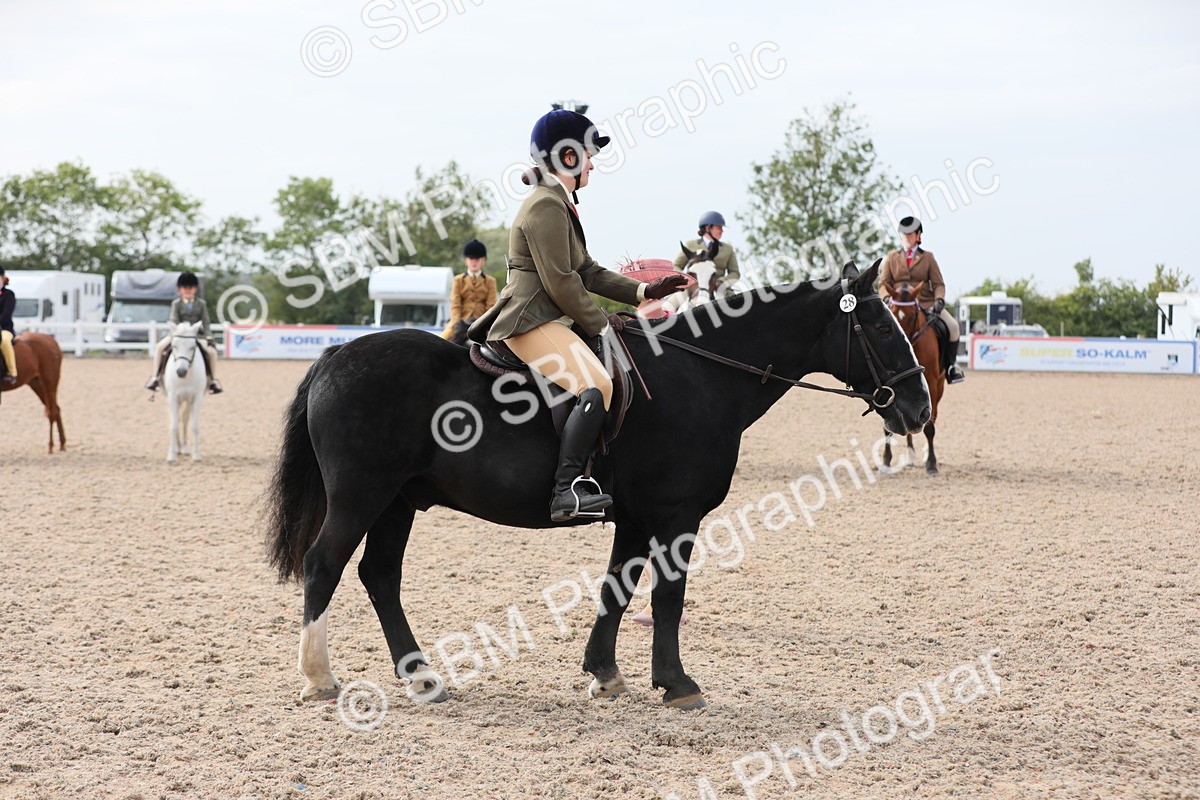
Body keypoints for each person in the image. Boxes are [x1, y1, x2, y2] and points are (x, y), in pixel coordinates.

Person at [468, 109, 687, 522]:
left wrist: (644, 291)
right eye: (588, 156)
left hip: (546, 318)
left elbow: (587, 270)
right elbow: (561, 282)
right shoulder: (545, 206)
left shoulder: (556, 202)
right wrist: (601, 324)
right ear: (568, 157)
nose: (592, 165)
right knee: (598, 383)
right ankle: (565, 489)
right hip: (528, 321)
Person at [878, 216, 966, 383]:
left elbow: (938, 284)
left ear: (918, 235)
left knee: (953, 327)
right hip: (897, 305)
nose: (906, 237)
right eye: (904, 234)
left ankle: (951, 367)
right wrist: (887, 297)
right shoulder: (891, 257)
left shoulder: (928, 258)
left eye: (910, 234)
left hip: (925, 303)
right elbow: (883, 283)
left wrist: (939, 300)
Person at [144, 272, 223, 394]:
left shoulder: (201, 304)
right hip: (179, 334)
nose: (188, 290)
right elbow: (174, 320)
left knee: (212, 352)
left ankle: (213, 380)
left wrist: (208, 336)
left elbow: (206, 322)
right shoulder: (176, 303)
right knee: (159, 347)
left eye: (190, 288)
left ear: (195, 289)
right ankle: (156, 378)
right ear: (180, 289)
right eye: (185, 288)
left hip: (197, 335)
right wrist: (181, 331)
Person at [440, 239, 498, 340]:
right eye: (471, 258)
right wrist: (457, 323)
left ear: (483, 260)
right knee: (441, 340)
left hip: (482, 323)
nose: (474, 261)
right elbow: (456, 304)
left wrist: (485, 323)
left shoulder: (490, 281)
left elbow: (491, 305)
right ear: (466, 260)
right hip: (461, 322)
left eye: (477, 259)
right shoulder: (458, 280)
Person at [672, 211, 740, 291]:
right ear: (708, 228)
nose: (722, 231)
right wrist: (686, 279)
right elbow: (676, 266)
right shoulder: (690, 245)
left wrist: (721, 282)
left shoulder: (728, 249)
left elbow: (735, 273)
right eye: (719, 228)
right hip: (694, 288)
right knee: (673, 299)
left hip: (719, 288)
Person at [0, 267, 17, 386]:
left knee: (4, 341)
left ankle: (12, 372)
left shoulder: (8, 294)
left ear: (2, 278)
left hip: (4, 329)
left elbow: (6, 315)